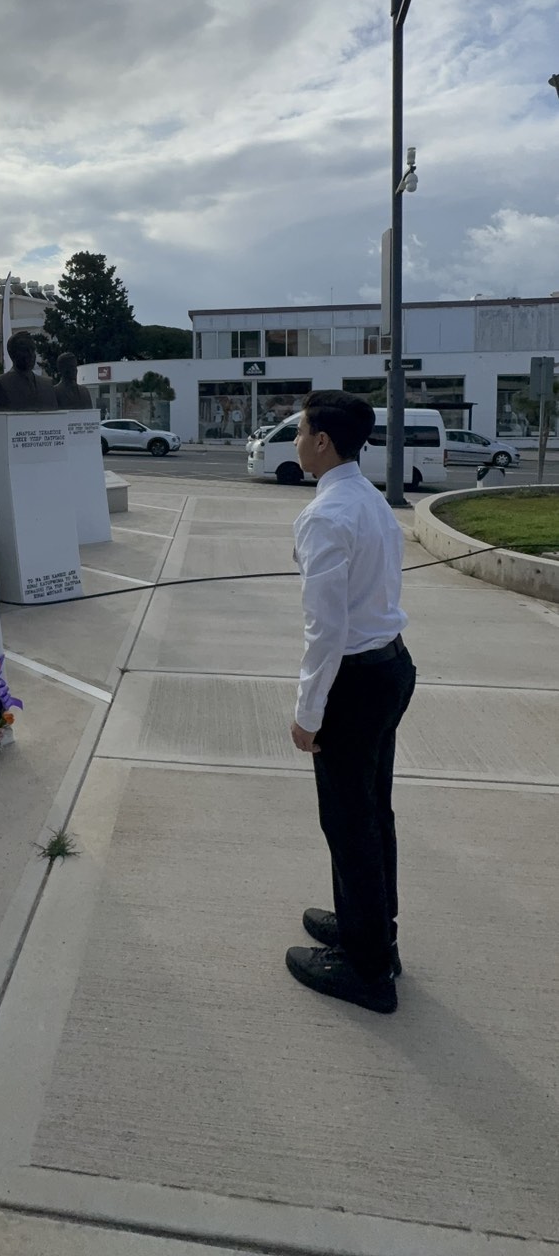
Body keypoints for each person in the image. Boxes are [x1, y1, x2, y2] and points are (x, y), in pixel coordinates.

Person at [285, 390, 416, 1014]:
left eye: (300, 431)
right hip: (390, 668)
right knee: (371, 812)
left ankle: (368, 970)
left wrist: (307, 713)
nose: (295, 441)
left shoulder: (326, 516)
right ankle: (373, 931)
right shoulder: (368, 498)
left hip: (355, 683)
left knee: (348, 821)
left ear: (322, 442)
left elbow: (326, 631)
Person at [0, 331, 59, 410]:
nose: (31, 355)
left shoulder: (47, 384)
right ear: (12, 354)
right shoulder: (1, 383)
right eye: (25, 350)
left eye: (33, 350)